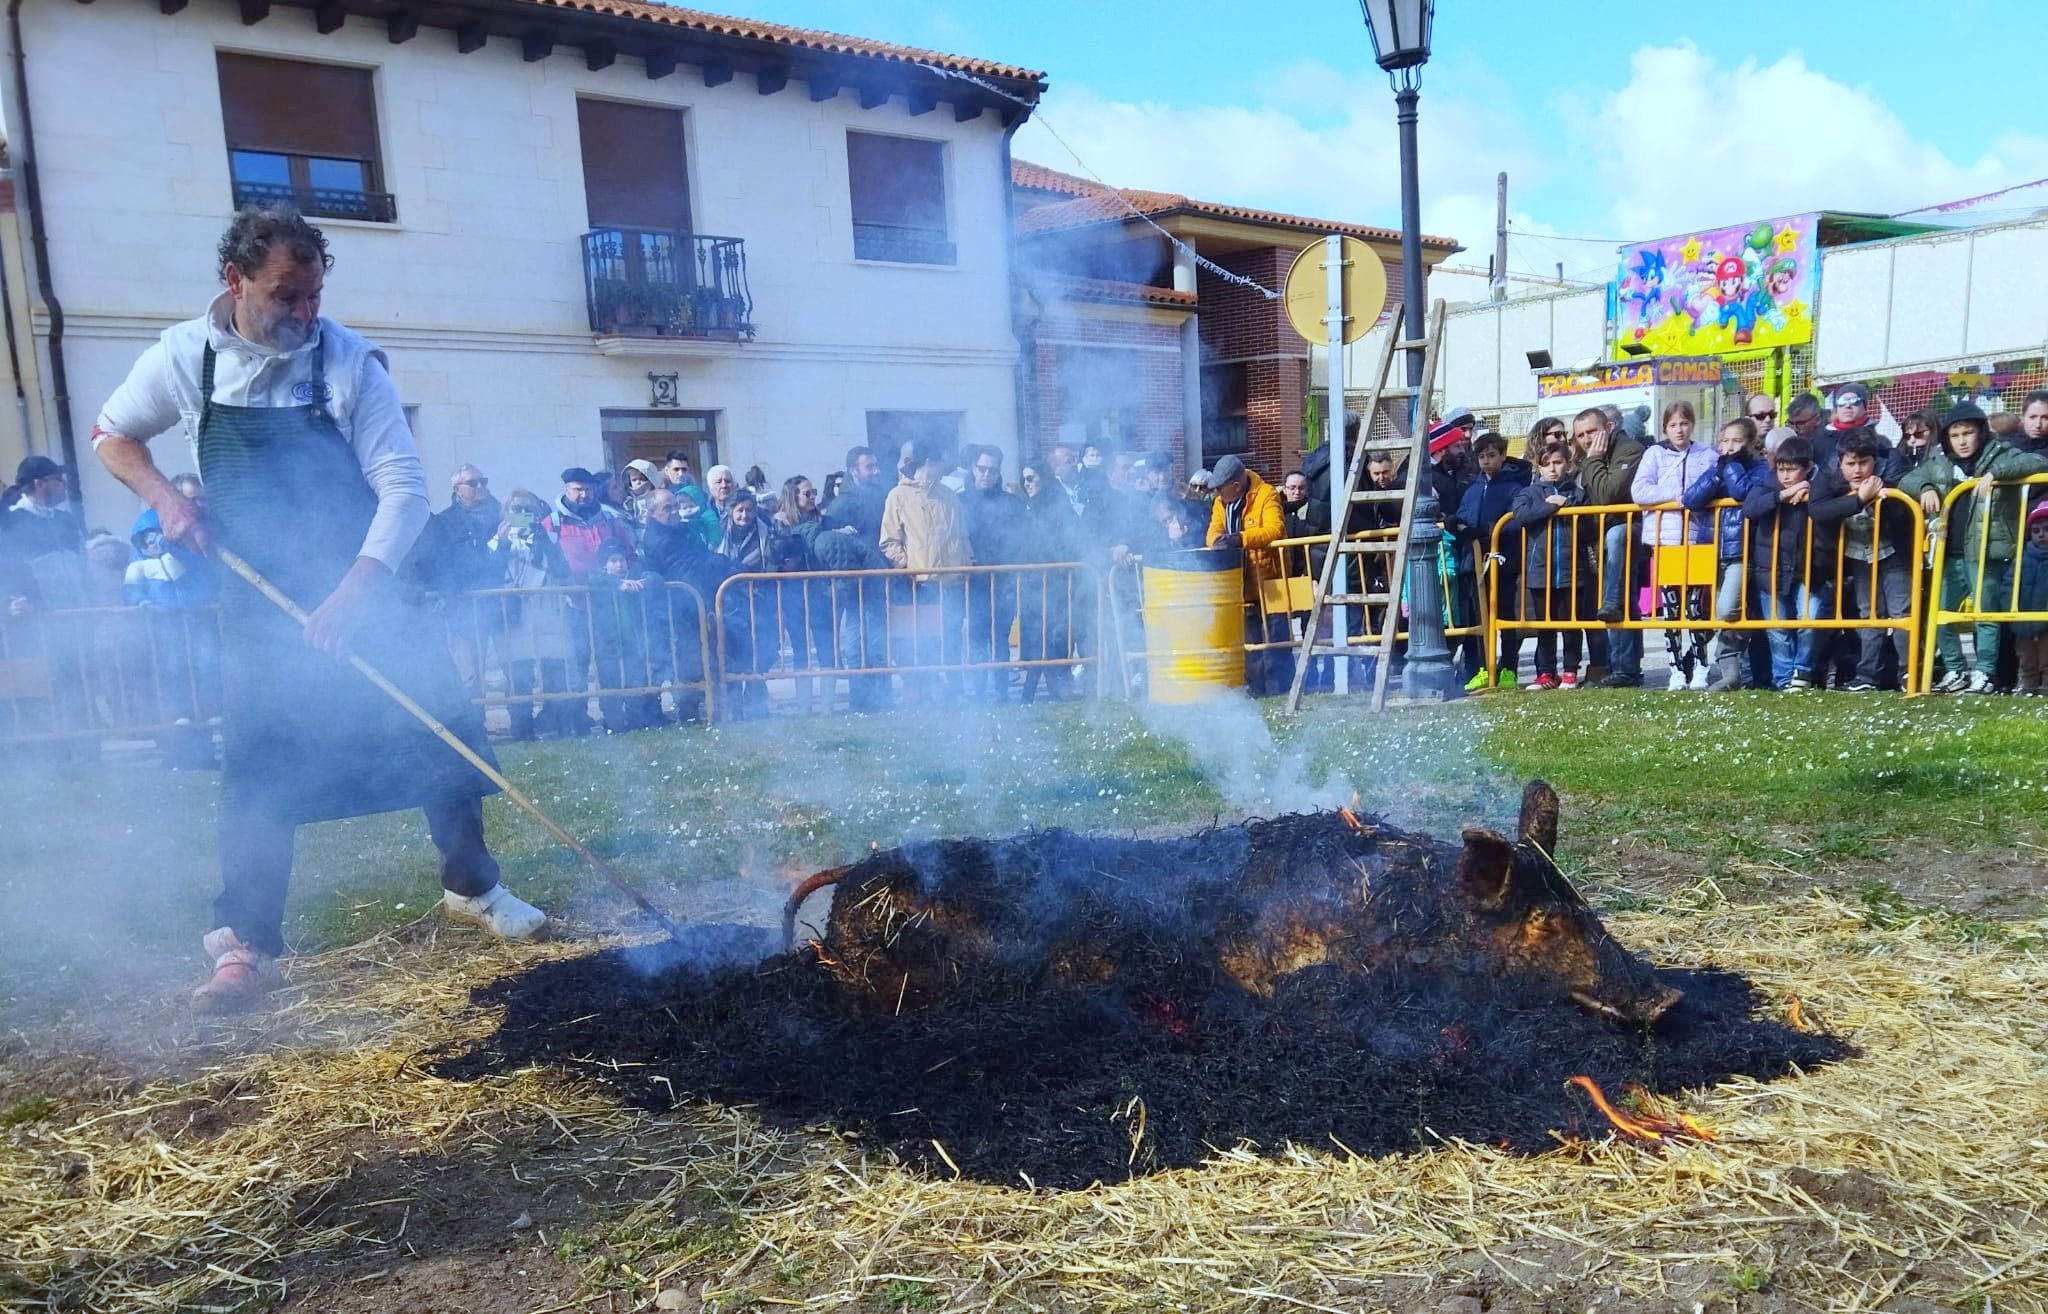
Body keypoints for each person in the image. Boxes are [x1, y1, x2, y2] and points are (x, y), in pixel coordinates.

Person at [91, 207, 543, 1011]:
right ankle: (247, 943)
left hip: (367, 582)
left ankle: (472, 885)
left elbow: (401, 489)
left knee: (437, 729)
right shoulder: (182, 357)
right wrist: (165, 499)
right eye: (286, 296)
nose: (305, 315)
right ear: (234, 281)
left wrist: (355, 594)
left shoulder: (348, 363)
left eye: (314, 296)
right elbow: (113, 435)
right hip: (259, 604)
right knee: (261, 769)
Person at [1900, 401, 2048, 692]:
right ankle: (1955, 670)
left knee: (1985, 613)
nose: (1962, 441)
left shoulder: (1999, 452)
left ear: (1980, 432)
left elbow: (2038, 463)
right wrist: (1925, 488)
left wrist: (1999, 473)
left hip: (1984, 549)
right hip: (1948, 550)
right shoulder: (1939, 459)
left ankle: (1985, 673)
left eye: (1968, 433)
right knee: (1939, 613)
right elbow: (1908, 478)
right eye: (1955, 435)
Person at [1810, 430, 1915, 692]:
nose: (1857, 470)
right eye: (1851, 464)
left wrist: (1883, 494)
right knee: (1869, 613)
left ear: (1874, 459)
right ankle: (1868, 675)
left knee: (1901, 613)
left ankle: (1909, 672)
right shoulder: (1828, 474)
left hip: (1893, 551)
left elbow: (1905, 510)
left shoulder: (1891, 467)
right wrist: (1857, 498)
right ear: (1840, 462)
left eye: (1863, 462)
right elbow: (1817, 510)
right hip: (1858, 553)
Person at [123, 505, 222, 767]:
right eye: (146, 538)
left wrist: (173, 546)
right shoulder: (138, 565)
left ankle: (211, 707)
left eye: (156, 535)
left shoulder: (181, 555)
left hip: (195, 615)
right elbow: (132, 590)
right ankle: (181, 711)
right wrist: (140, 602)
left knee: (206, 661)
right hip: (167, 621)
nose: (152, 542)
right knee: (174, 665)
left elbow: (198, 571)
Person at [1631, 401, 1718, 689]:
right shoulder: (1654, 454)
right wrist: (1676, 496)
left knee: (1695, 607)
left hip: (1697, 539)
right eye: (1673, 425)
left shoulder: (1707, 455)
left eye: (1684, 423)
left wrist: (1695, 497)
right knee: (1671, 609)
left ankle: (1701, 666)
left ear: (1692, 424)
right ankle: (1676, 670)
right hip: (1665, 541)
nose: (1679, 430)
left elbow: (1714, 487)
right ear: (1665, 427)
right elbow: (1640, 491)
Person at [880, 436, 973, 701]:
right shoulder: (898, 496)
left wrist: (966, 563)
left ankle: (955, 692)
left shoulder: (949, 496)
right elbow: (888, 541)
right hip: (921, 584)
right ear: (930, 461)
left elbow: (962, 536)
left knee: (953, 638)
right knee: (924, 641)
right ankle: (923, 692)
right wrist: (910, 565)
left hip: (953, 581)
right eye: (943, 461)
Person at [1741, 435, 1835, 691]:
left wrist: (1809, 491)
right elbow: (1749, 508)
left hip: (1808, 569)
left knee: (1809, 621)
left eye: (1791, 469)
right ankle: (1783, 680)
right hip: (1770, 569)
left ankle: (1801, 672)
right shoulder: (1769, 482)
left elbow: (1836, 496)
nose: (1785, 475)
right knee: (1777, 629)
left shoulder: (1823, 481)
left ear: (1807, 467)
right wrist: (1784, 495)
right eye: (1781, 469)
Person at [1683, 417, 1770, 691]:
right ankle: (1730, 675)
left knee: (1727, 610)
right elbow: (1691, 498)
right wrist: (1718, 473)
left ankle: (1739, 669)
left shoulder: (1759, 470)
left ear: (1750, 444)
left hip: (1741, 550)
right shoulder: (1718, 468)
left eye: (1736, 441)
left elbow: (1742, 491)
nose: (1729, 447)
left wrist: (1730, 468)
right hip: (1712, 549)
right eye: (1724, 441)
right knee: (1720, 614)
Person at [489, 489, 580, 741]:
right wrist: (504, 544)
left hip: (548, 610)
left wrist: (544, 542)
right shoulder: (497, 541)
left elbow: (562, 571)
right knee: (519, 676)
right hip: (515, 614)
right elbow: (491, 574)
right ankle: (522, 729)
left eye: (526, 510)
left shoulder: (548, 538)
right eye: (515, 510)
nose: (521, 515)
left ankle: (559, 725)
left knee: (555, 670)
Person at [551, 466, 633, 735]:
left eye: (587, 489)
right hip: (572, 607)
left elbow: (628, 553)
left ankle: (614, 716)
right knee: (577, 665)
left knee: (609, 664)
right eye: (578, 489)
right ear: (566, 490)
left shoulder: (609, 519)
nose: (583, 494)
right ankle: (577, 719)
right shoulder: (552, 523)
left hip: (605, 606)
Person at [636, 487, 727, 722]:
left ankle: (710, 708)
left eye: (676, 506)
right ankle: (687, 712)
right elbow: (689, 565)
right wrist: (725, 564)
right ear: (652, 513)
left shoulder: (680, 531)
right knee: (687, 661)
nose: (675, 512)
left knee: (705, 657)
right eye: (668, 508)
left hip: (692, 605)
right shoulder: (658, 538)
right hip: (674, 611)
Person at [1504, 440, 1587, 690]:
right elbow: (1520, 516)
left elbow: (1588, 523)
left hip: (1572, 569)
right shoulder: (1529, 493)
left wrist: (1568, 504)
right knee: (1545, 625)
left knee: (1570, 623)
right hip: (1540, 570)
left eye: (1558, 462)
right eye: (1547, 464)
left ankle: (1570, 670)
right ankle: (1545, 672)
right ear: (1538, 467)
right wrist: (1551, 506)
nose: (1553, 468)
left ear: (1568, 464)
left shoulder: (1577, 493)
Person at [1205, 454, 1289, 695]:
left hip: (1270, 581)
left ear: (1236, 486)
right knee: (1250, 640)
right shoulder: (1221, 503)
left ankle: (1282, 686)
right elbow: (1212, 534)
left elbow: (1275, 529)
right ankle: (1257, 687)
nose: (1217, 495)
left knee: (1277, 637)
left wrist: (1240, 539)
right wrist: (1219, 543)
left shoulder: (1267, 494)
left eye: (1220, 489)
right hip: (1239, 583)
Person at [416, 463, 503, 693]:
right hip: (463, 607)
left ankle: (523, 724)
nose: (481, 487)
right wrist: (451, 596)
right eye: (473, 483)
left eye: (484, 481)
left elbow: (535, 529)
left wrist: (526, 514)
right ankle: (475, 725)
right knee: (470, 674)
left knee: (516, 669)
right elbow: (438, 563)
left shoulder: (504, 515)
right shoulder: (443, 522)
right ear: (457, 489)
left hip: (503, 604)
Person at [1576, 406, 1647, 686]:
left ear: (1608, 428)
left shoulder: (1630, 450)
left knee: (1618, 600)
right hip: (1598, 537)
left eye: (1591, 431)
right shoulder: (1584, 458)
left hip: (1629, 530)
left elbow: (1607, 495)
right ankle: (1622, 668)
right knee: (1618, 600)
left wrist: (1592, 461)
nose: (1585, 440)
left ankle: (1626, 667)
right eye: (1580, 435)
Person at [1453, 431, 1528, 690]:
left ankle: (1508, 668)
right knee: (1479, 617)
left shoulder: (1513, 486)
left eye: (1492, 455)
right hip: (1474, 563)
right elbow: (1462, 516)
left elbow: (1513, 520)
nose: (1486, 461)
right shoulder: (1472, 487)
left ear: (1503, 456)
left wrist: (1486, 530)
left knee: (1504, 615)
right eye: (1482, 456)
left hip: (1502, 561)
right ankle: (1482, 668)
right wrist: (1458, 525)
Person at [961, 445, 1026, 700]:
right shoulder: (959, 502)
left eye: (992, 470)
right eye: (982, 468)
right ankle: (977, 692)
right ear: (972, 468)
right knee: (977, 635)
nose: (986, 474)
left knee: (1000, 638)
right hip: (972, 581)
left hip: (1003, 581)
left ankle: (1001, 691)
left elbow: (1021, 540)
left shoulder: (1011, 504)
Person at [772, 475, 835, 711]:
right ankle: (804, 706)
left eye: (813, 492)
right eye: (806, 494)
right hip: (793, 594)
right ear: (792, 496)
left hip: (821, 592)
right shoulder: (780, 524)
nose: (812, 498)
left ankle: (828, 705)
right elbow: (777, 558)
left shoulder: (824, 521)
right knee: (801, 649)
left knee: (826, 647)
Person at [586, 541, 664, 732]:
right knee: (610, 682)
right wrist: (617, 584)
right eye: (613, 561)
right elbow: (594, 579)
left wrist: (642, 584)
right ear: (604, 564)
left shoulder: (634, 577)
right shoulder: (599, 579)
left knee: (635, 679)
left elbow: (655, 578)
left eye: (621, 560)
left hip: (632, 639)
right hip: (608, 641)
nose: (619, 565)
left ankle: (635, 719)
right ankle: (614, 721)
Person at [1017, 459, 1078, 703]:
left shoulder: (1059, 506)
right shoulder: (1029, 507)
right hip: (1033, 584)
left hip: (1056, 583)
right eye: (1024, 479)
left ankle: (1057, 692)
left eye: (1031, 478)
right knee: (1034, 638)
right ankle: (1029, 694)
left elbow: (1068, 542)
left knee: (1055, 638)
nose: (1026, 484)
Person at [715, 487, 778, 716]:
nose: (744, 516)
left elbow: (772, 564)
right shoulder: (719, 532)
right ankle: (734, 705)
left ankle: (755, 701)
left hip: (759, 601)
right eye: (740, 510)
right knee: (732, 652)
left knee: (761, 651)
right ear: (731, 511)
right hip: (729, 602)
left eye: (749, 510)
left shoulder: (766, 533)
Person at [2012, 503, 2048, 693]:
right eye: (2036, 531)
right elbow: (2008, 587)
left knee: (2046, 659)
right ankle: (2028, 688)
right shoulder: (2022, 558)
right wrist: (2010, 610)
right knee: (2026, 660)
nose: (2041, 535)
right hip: (2023, 621)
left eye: (2046, 529)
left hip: (2046, 625)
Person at [822, 444, 887, 547]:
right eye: (869, 467)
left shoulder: (881, 495)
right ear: (853, 471)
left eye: (876, 465)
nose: (876, 471)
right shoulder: (841, 505)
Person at [619, 459, 665, 528]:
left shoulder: (657, 498)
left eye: (642, 479)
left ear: (651, 479)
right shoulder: (629, 499)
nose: (638, 482)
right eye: (634, 480)